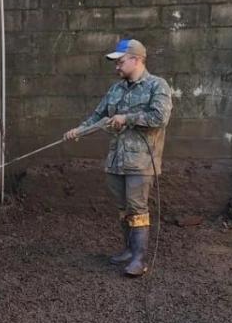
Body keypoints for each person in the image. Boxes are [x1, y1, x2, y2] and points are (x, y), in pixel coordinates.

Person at [64, 39, 173, 277]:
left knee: (137, 208)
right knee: (123, 208)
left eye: (121, 61)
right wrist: (79, 131)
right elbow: (98, 116)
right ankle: (127, 250)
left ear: (137, 59)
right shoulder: (116, 89)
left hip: (141, 162)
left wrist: (128, 118)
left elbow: (159, 118)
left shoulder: (157, 86)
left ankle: (139, 259)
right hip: (116, 160)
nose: (117, 67)